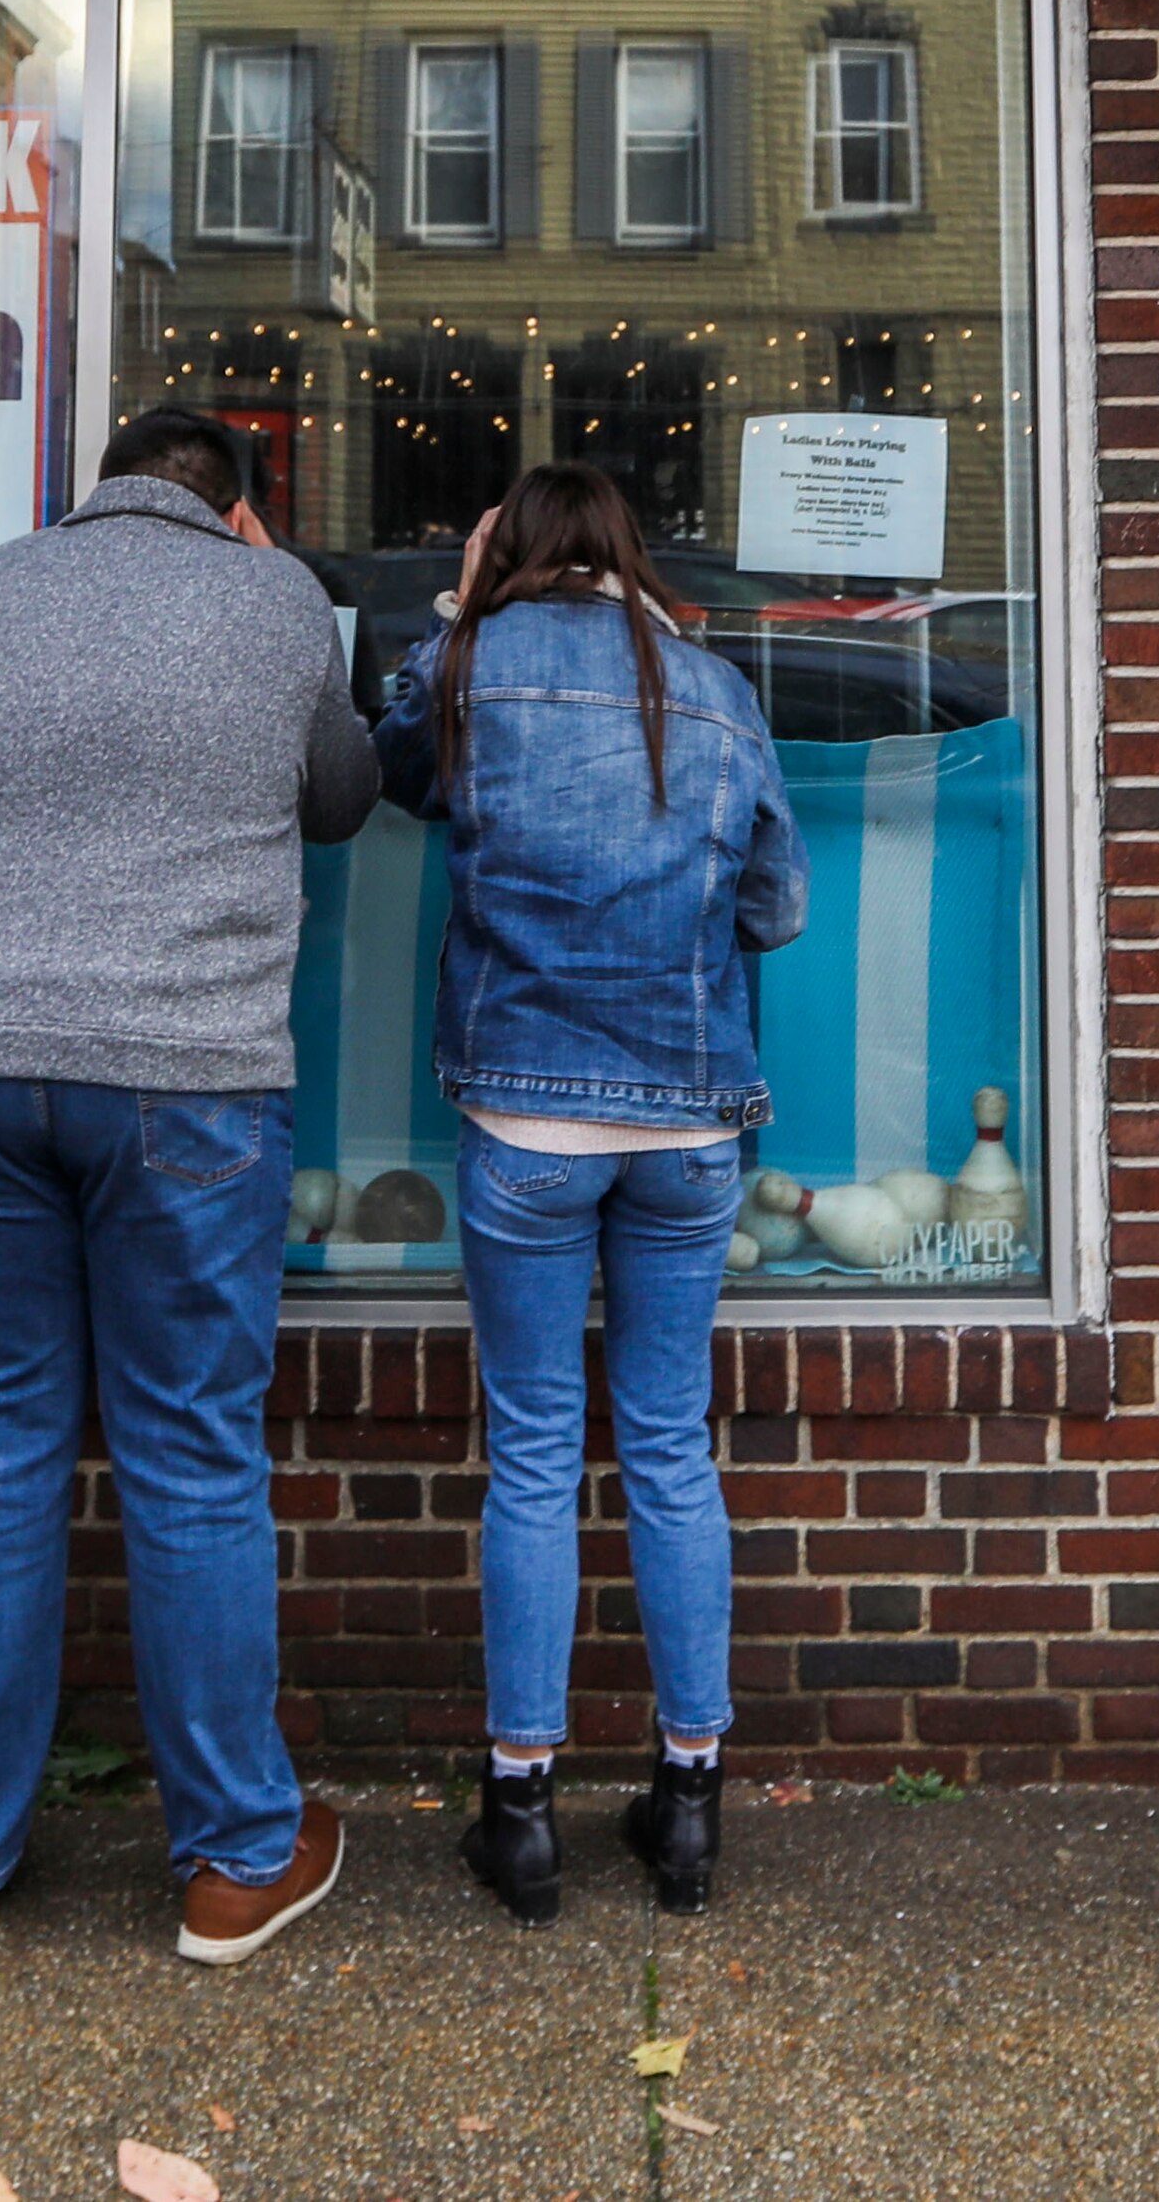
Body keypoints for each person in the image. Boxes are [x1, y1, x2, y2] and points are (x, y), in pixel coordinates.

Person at [0, 406, 380, 1962]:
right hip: (183, 1071)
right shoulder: (274, 596)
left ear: (94, 491)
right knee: (189, 1460)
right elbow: (344, 794)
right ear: (235, 509)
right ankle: (235, 1856)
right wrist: (281, 598)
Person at [374, 464, 806, 1923]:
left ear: (511, 547)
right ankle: (688, 1811)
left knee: (539, 1454)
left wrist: (459, 597)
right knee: (673, 1446)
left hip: (527, 1120)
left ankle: (524, 1813)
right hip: (688, 1122)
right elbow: (779, 907)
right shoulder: (713, 688)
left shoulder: (474, 661)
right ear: (631, 553)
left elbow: (392, 773)